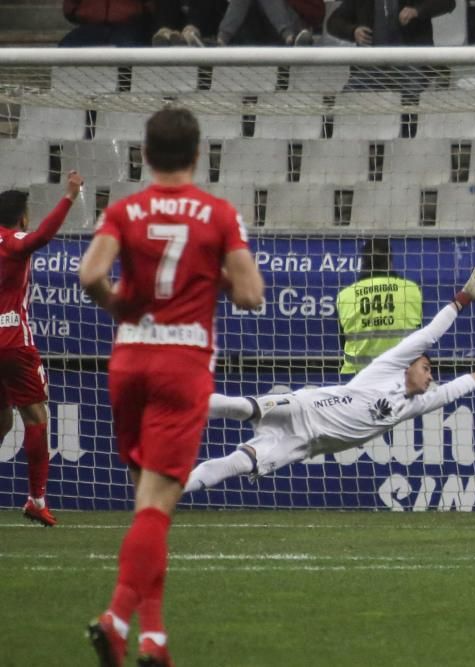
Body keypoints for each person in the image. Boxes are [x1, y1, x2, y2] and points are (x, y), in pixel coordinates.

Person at [80, 106, 265, 667]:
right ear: (198, 154)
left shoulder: (124, 210)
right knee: (158, 508)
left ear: (143, 153)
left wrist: (119, 308)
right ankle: (115, 620)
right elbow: (252, 293)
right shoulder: (217, 214)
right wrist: (226, 283)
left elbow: (90, 275)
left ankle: (154, 640)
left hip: (129, 359)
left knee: (147, 507)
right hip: (181, 365)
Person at [183, 268, 475, 493]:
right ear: (409, 366)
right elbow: (428, 335)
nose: (430, 375)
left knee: (239, 463)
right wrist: (462, 299)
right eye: (426, 369)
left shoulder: (415, 404)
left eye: (431, 373)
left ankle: (172, 490)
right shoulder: (387, 367)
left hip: (304, 444)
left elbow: (454, 390)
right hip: (303, 408)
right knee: (240, 407)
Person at [0, 174, 84, 527]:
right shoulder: (14, 241)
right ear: (22, 217)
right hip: (12, 342)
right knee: (36, 417)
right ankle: (36, 499)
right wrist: (68, 196)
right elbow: (42, 238)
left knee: (2, 421)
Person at [336, 238, 423, 375]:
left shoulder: (345, 296)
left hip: (356, 378)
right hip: (400, 376)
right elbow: (420, 337)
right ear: (390, 261)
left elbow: (344, 342)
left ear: (363, 262)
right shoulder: (410, 290)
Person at [326, 0, 456, 46]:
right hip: (369, 69)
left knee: (412, 92)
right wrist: (353, 31)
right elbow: (333, 22)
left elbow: (447, 2)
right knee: (349, 99)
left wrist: (417, 11)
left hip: (412, 64)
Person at [216, 0, 322, 45]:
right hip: (258, 27)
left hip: (295, 27)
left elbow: (316, 13)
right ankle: (221, 41)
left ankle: (291, 39)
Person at [60, 0, 152, 46]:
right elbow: (69, 8)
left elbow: (151, 6)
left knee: (130, 49)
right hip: (90, 27)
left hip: (130, 28)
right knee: (66, 48)